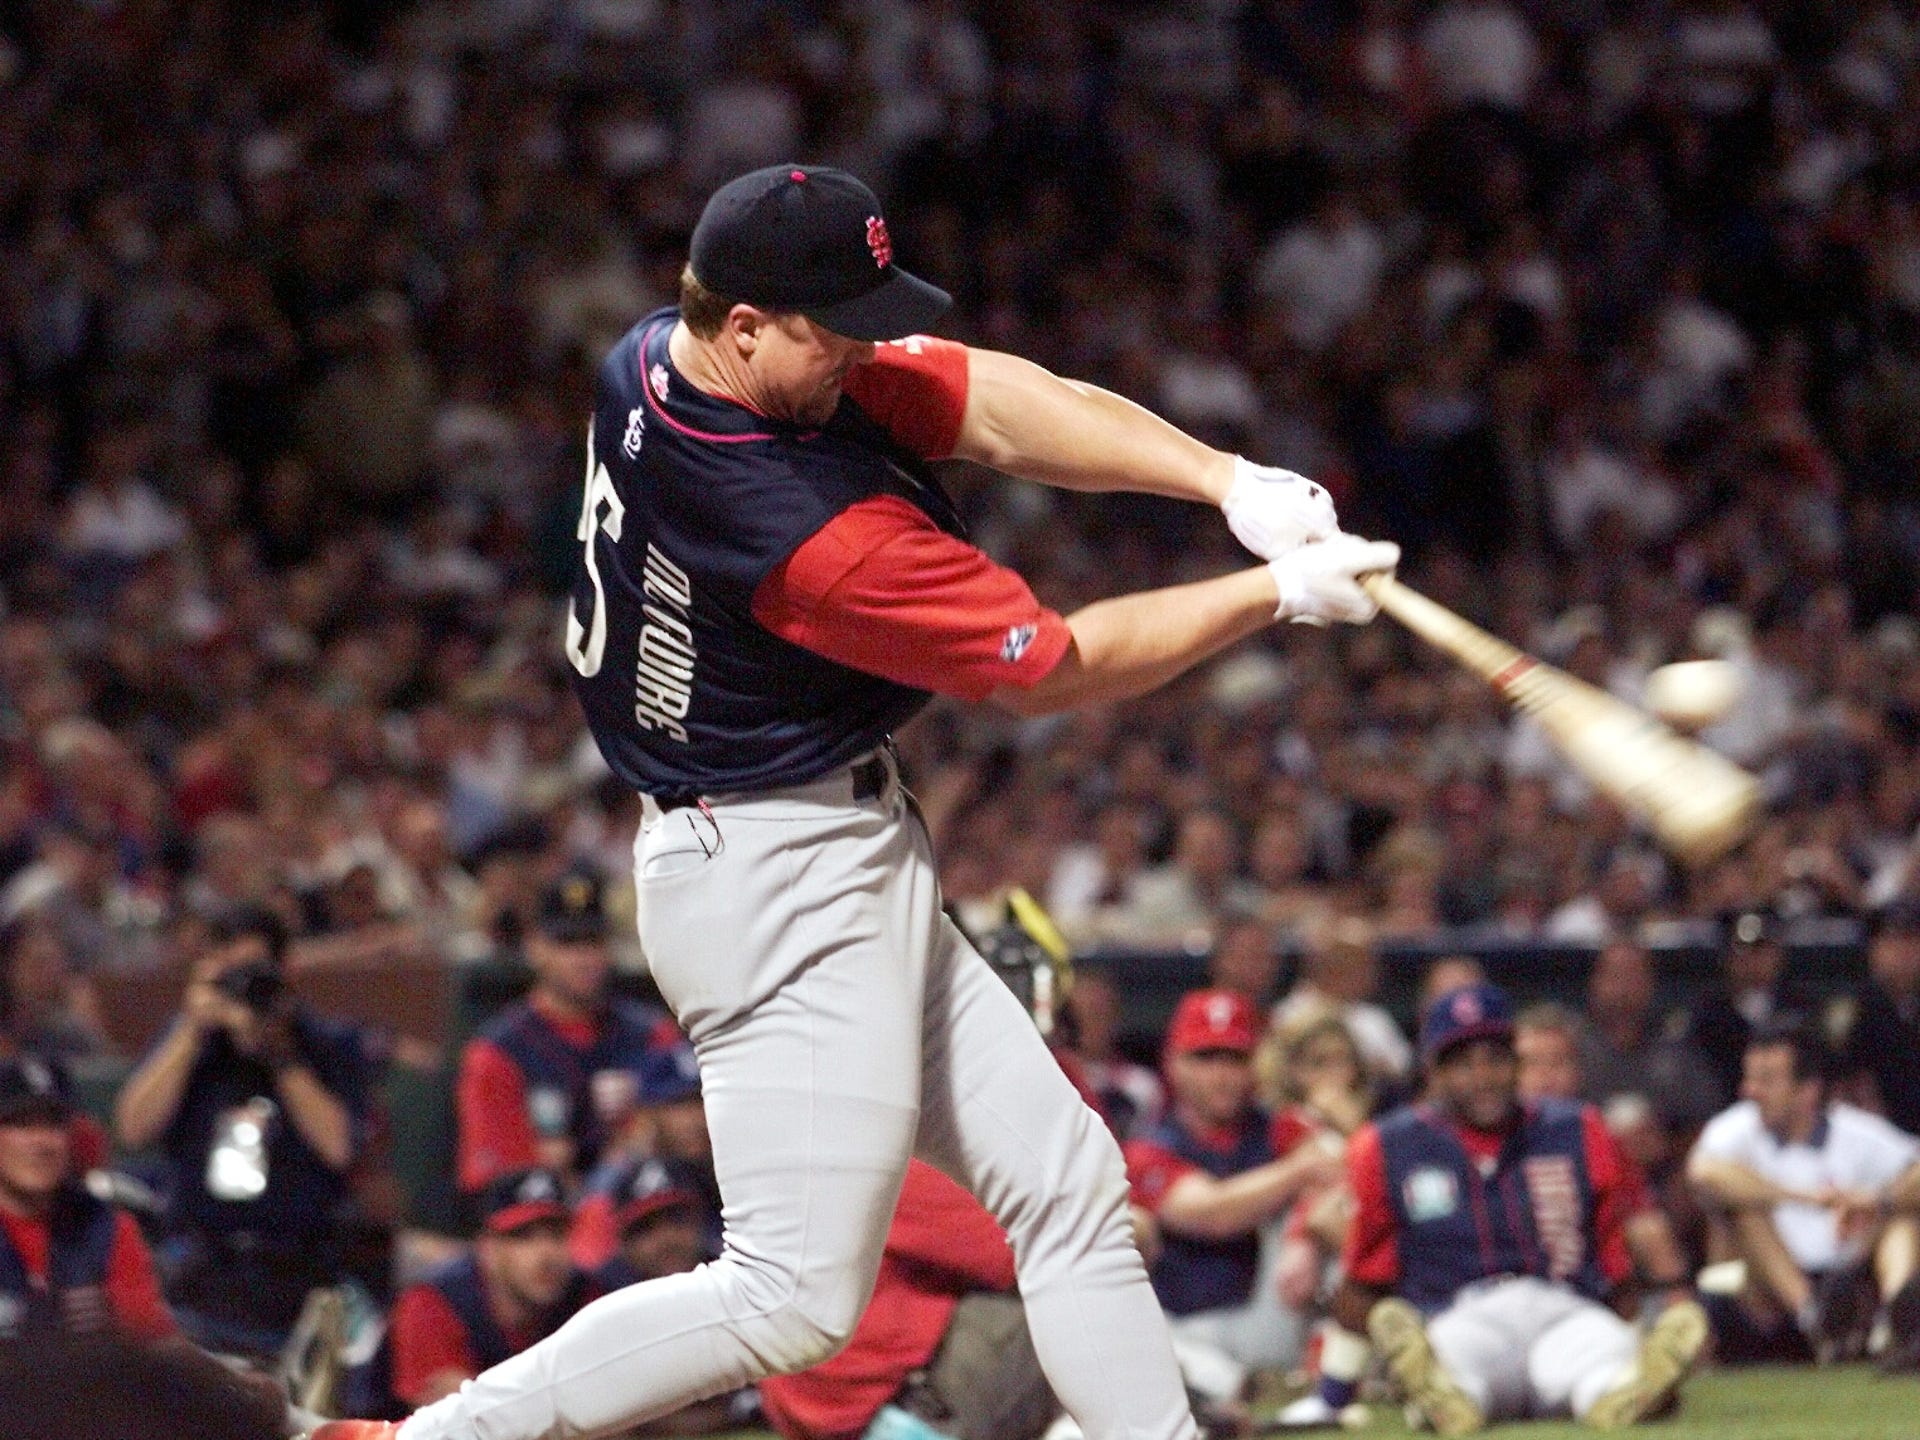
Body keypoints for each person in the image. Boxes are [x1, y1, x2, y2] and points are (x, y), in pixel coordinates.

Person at [305, 162, 1398, 1440]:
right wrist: (1272, 595)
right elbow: (1051, 667)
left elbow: (988, 399)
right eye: (836, 329)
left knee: (1068, 1184)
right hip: (772, 869)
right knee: (790, 1296)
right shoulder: (795, 527)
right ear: (749, 326)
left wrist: (1224, 482)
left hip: (808, 837)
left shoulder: (664, 349)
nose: (862, 349)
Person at [1313, 983, 1708, 1434]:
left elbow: (1610, 1258)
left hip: (1564, 1308)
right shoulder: (1389, 1145)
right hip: (1460, 1315)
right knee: (1453, 1367)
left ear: (1516, 1063)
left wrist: (1631, 1329)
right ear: (1432, 1072)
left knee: (1599, 1362)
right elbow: (1365, 1278)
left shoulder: (1577, 1128)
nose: (1482, 1076)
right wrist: (1332, 1396)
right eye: (1462, 1063)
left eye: (1495, 1059)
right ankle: (1444, 1399)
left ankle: (1625, 1390)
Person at [114, 905, 371, 1357]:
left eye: (254, 973)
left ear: (285, 970)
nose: (243, 988)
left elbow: (341, 1148)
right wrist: (190, 1032)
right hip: (201, 1267)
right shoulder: (193, 1044)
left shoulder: (326, 1044)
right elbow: (133, 1128)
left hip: (299, 1268)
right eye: (229, 975)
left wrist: (280, 1056)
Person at [1125, 989, 1344, 1400]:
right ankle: (1257, 1387)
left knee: (1340, 1211)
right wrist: (1297, 1171)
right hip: (1182, 1328)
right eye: (1205, 1058)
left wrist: (1305, 1236)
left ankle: (1342, 1364)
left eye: (1236, 1058)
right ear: (1172, 1064)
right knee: (1185, 1370)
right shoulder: (1149, 1147)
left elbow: (1340, 1168)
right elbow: (1211, 1212)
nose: (1223, 1074)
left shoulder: (1278, 1127)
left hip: (1269, 1316)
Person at [1686, 1018, 1920, 1368]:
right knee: (1744, 1213)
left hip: (1849, 1279)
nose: (1750, 1090)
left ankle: (1898, 1326)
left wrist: (1875, 1200)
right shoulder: (1736, 1127)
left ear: (1807, 1090)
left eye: (1766, 1080)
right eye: (1749, 1078)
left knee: (1901, 1218)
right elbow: (1703, 1173)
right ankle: (1817, 1321)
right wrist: (1805, 1197)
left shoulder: (1855, 1132)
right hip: (1768, 1297)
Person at [456, 868, 679, 1195]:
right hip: (548, 1223)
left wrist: (649, 1119)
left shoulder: (652, 1034)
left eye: (594, 943)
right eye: (568, 944)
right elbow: (491, 1180)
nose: (585, 959)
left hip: (648, 1209)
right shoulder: (498, 1051)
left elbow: (696, 1146)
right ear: (535, 948)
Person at [348, 1169, 597, 1418]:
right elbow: (450, 1428)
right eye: (523, 1237)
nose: (546, 1254)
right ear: (487, 1249)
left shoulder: (586, 1297)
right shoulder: (431, 1303)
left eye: (556, 1236)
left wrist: (483, 1399)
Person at [0, 1053, 175, 1342]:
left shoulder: (103, 1226)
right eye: (22, 1124)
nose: (41, 1142)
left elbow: (158, 1343)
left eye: (53, 1125)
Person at [1681, 907, 1805, 1101]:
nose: (1753, 960)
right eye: (1744, 951)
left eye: (1762, 950)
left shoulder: (1799, 1007)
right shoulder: (1708, 1013)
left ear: (1777, 954)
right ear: (1728, 958)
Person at [1832, 901, 1920, 1136]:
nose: (1905, 953)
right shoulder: (1852, 1007)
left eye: (1912, 942)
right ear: (1873, 949)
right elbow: (1835, 1076)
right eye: (1893, 941)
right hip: (1872, 1135)